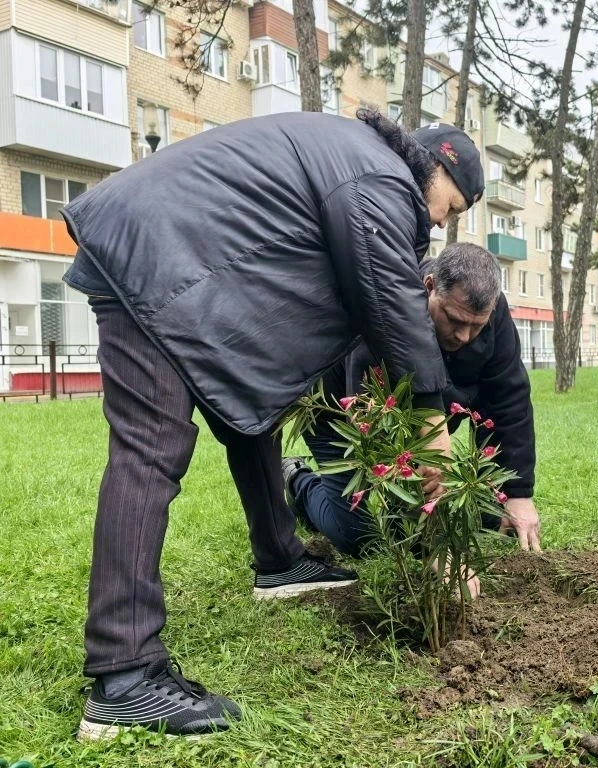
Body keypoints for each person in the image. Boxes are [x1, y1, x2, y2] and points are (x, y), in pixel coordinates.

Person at [60, 111, 485, 739]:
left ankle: (279, 559)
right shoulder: (381, 177)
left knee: (251, 411)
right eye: (453, 205)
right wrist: (432, 429)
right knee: (151, 449)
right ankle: (124, 675)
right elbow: (389, 303)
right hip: (152, 257)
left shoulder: (361, 161)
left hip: (178, 259)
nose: (444, 222)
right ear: (436, 168)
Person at [283, 242, 542, 561]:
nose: (464, 336)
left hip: (422, 428)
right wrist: (433, 540)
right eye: (454, 320)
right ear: (429, 286)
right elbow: (369, 421)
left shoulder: (492, 314)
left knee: (488, 516)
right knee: (360, 538)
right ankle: (298, 480)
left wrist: (518, 494)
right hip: (337, 415)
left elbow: (509, 400)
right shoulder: (387, 308)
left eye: (477, 325)